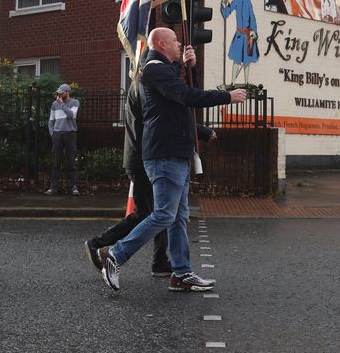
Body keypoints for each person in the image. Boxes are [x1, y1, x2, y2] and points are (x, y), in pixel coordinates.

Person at [98, 28, 247, 292]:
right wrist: (227, 96)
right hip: (164, 154)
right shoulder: (154, 69)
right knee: (165, 213)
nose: (180, 44)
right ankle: (116, 254)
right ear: (161, 43)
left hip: (175, 153)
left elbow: (187, 99)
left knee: (179, 216)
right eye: (176, 41)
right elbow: (187, 96)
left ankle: (181, 273)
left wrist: (192, 67)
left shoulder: (166, 71)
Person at [84, 70, 217, 277]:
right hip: (144, 158)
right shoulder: (146, 85)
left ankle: (160, 261)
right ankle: (101, 245)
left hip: (143, 156)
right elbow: (167, 117)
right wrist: (203, 131)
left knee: (163, 210)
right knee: (151, 213)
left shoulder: (142, 84)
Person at [220, 0, 260, 85]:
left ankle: (246, 82)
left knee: (247, 61)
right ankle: (232, 82)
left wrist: (254, 31)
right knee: (236, 59)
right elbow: (227, 12)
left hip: (248, 35)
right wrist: (224, 4)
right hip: (239, 35)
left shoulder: (248, 2)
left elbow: (252, 18)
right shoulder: (237, 1)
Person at [46, 84, 80, 196]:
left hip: (70, 133)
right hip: (57, 134)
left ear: (67, 92)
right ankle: (53, 187)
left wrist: (62, 105)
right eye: (59, 93)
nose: (59, 94)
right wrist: (52, 133)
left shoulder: (75, 102)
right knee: (56, 162)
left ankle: (73, 187)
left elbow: (71, 115)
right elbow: (51, 120)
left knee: (71, 161)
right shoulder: (54, 104)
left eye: (62, 92)